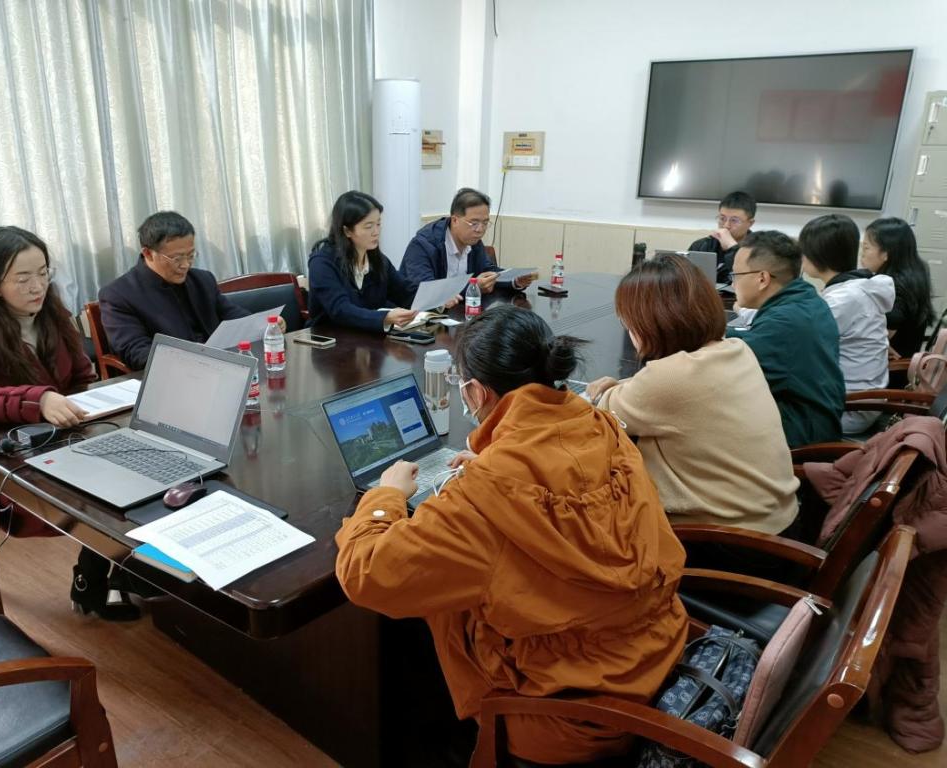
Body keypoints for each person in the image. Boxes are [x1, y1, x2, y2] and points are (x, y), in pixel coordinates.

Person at [335, 305, 688, 765]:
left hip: (568, 714)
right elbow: (574, 499)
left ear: (475, 391)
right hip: (653, 655)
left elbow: (365, 574)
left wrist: (385, 497)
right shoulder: (601, 427)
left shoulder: (485, 496)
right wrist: (499, 464)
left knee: (426, 610)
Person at [0, 226, 138, 620]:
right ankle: (103, 575)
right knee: (102, 492)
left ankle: (109, 572)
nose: (37, 286)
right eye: (22, 278)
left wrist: (86, 402)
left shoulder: (52, 315)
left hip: (59, 435)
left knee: (137, 471)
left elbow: (81, 375)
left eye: (43, 273)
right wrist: (38, 400)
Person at [584, 255, 798, 535]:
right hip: (778, 522)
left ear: (650, 322)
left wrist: (610, 391)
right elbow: (660, 390)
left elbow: (603, 414)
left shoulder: (669, 378)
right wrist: (625, 386)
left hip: (727, 541)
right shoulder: (735, 349)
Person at [727, 231, 845, 448]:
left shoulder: (785, 321)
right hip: (816, 418)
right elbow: (760, 343)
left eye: (735, 275)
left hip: (801, 434)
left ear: (762, 279)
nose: (733, 284)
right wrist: (720, 332)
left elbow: (734, 375)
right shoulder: (805, 300)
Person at [99, 211, 249, 370]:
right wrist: (191, 357)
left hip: (220, 366)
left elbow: (235, 317)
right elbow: (136, 351)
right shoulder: (119, 295)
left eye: (190, 255)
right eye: (177, 258)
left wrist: (261, 326)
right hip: (172, 372)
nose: (185, 265)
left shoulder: (202, 279)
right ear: (148, 253)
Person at [799, 214, 894, 434]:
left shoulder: (844, 299)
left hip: (849, 408)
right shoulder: (855, 288)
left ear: (818, 254)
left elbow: (797, 337)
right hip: (861, 398)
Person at [307, 191, 419, 331]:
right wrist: (384, 318)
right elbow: (340, 310)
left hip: (366, 337)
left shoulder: (378, 260)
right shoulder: (322, 263)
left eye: (378, 224)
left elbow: (405, 292)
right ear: (347, 231)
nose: (376, 232)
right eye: (368, 226)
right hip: (329, 338)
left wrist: (437, 300)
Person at [399, 187, 537, 301]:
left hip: (461, 314)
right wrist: (473, 287)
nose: (480, 230)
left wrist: (514, 280)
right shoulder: (423, 245)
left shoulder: (473, 241)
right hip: (421, 318)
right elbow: (426, 290)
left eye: (485, 223)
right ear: (455, 220)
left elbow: (486, 271)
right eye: (474, 223)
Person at [861, 217, 935, 358]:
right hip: (901, 357)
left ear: (886, 254)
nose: (862, 253)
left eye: (866, 248)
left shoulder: (895, 287)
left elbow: (876, 338)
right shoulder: (910, 275)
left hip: (893, 365)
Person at [688, 190, 756, 283]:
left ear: (750, 223)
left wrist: (732, 247)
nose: (726, 225)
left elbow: (751, 281)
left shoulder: (759, 249)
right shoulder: (701, 246)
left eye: (734, 220)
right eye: (722, 218)